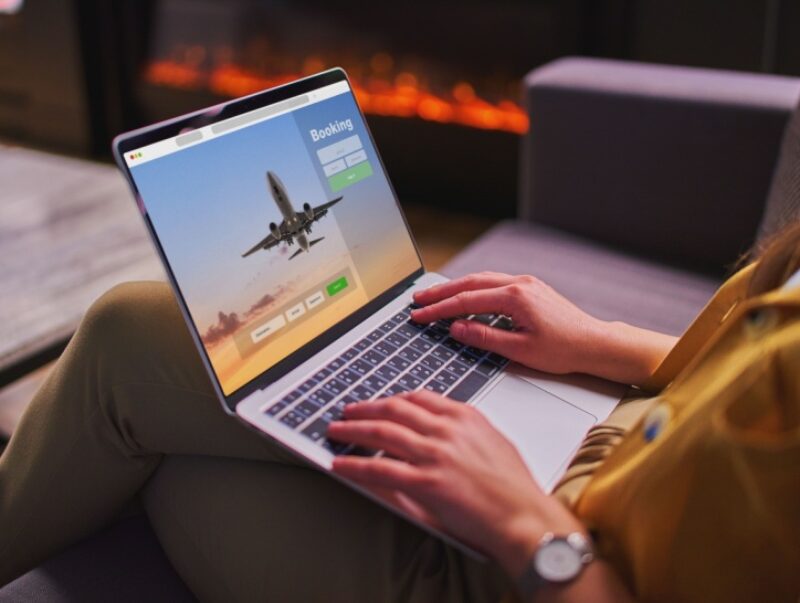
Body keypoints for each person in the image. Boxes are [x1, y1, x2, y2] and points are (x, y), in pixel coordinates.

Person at [1, 217, 799, 603]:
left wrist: (533, 532)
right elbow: (742, 369)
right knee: (140, 334)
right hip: (605, 437)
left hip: (545, 573)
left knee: (162, 437)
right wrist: (601, 342)